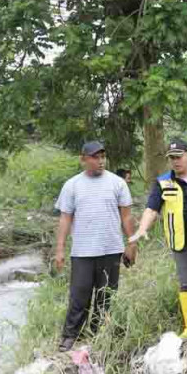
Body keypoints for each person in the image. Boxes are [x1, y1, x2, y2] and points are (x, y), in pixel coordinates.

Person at [53, 141, 135, 352]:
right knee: (79, 295)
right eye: (95, 157)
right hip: (82, 251)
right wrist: (60, 250)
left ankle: (99, 334)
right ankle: (70, 335)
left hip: (111, 250)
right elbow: (65, 219)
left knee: (106, 295)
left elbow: (126, 217)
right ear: (84, 159)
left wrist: (131, 244)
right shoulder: (72, 185)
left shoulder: (118, 183)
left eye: (102, 157)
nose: (101, 161)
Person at [129, 138, 187, 339]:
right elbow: (151, 209)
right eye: (171, 158)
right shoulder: (163, 181)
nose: (175, 161)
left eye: (178, 156)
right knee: (186, 282)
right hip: (182, 241)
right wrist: (142, 229)